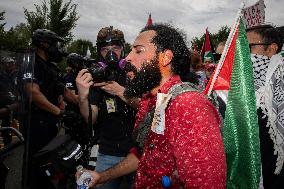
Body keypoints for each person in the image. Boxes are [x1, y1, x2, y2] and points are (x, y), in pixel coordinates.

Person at [76, 23, 227, 188]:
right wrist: (101, 176)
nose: (127, 59)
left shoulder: (188, 106)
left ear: (165, 58)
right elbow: (145, 153)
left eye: (138, 51)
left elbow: (207, 183)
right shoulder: (157, 100)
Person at [76, 26, 138, 189]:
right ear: (99, 52)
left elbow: (147, 107)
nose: (111, 53)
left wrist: (120, 91)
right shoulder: (97, 76)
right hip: (108, 151)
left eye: (116, 48)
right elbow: (91, 117)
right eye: (105, 49)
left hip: (137, 151)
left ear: (123, 49)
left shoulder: (134, 72)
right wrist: (82, 97)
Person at [21, 29, 78, 189]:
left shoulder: (51, 66)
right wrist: (60, 112)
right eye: (55, 44)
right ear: (44, 44)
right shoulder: (31, 62)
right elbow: (32, 92)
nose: (57, 48)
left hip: (50, 122)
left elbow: (64, 91)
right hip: (35, 123)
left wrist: (83, 105)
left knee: (50, 162)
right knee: (35, 164)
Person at [246, 24, 284, 188]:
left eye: (249, 47)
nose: (243, 54)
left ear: (271, 49)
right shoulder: (242, 86)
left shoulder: (280, 84)